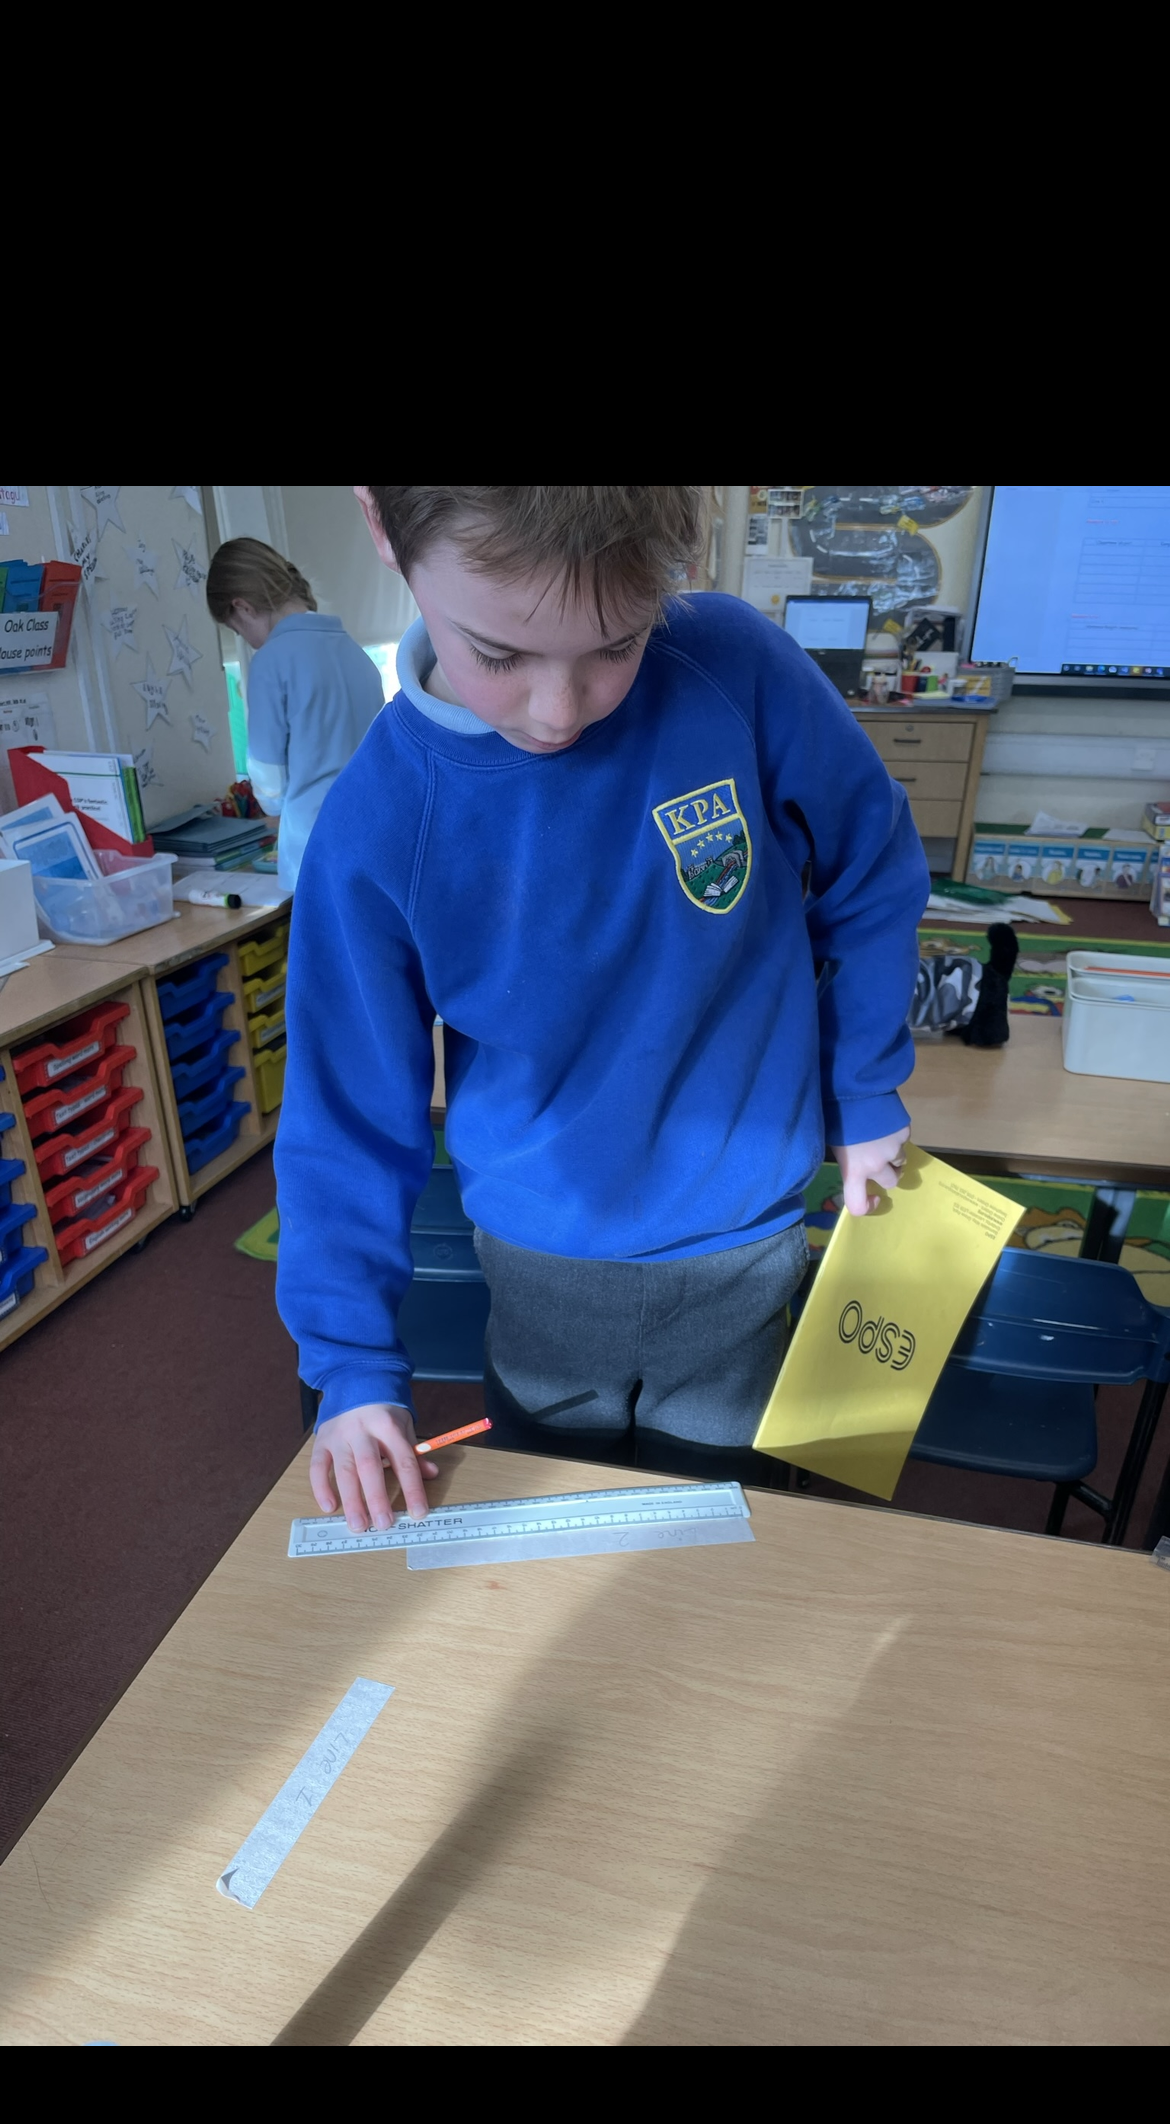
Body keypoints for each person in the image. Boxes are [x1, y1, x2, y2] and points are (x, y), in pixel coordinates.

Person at [274, 486, 930, 1533]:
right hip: (542, 1266)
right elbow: (344, 1116)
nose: (558, 710)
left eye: (616, 646)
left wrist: (864, 1087)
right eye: (499, 654)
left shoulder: (732, 667)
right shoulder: (376, 825)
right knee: (558, 1546)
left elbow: (873, 862)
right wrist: (351, 1364)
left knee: (723, 1539)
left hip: (744, 1244)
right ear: (385, 528)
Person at [205, 537, 385, 890]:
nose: (245, 640)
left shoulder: (270, 662)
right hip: (373, 834)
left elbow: (270, 785)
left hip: (314, 847)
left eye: (236, 630)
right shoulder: (355, 653)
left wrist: (271, 803)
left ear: (242, 607)